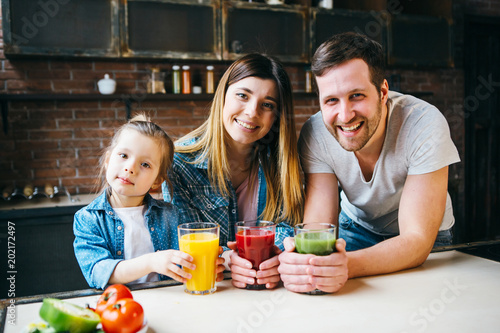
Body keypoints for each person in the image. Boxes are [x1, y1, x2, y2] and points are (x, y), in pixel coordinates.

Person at [278, 32, 461, 294]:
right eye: (331, 100)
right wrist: (305, 263)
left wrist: (343, 266)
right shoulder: (316, 132)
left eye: (356, 96)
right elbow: (317, 228)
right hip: (357, 228)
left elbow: (416, 240)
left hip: (425, 238)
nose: (345, 115)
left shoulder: (425, 124)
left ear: (383, 91)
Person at [163, 53, 304, 289]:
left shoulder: (281, 166)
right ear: (223, 96)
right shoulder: (179, 164)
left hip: (268, 291)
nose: (251, 112)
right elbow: (185, 246)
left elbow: (286, 229)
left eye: (267, 105)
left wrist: (279, 257)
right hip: (210, 292)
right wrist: (229, 260)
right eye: (242, 95)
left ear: (276, 117)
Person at [73, 113, 225, 289]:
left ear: (157, 180)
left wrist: (222, 260)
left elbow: (195, 254)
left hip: (169, 303)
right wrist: (151, 262)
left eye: (145, 164)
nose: (130, 168)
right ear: (108, 160)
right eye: (123, 155)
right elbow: (97, 272)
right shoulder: (88, 219)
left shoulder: (171, 215)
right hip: (120, 307)